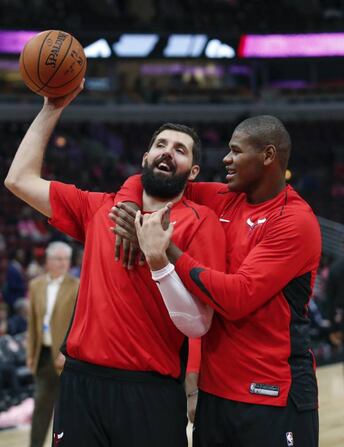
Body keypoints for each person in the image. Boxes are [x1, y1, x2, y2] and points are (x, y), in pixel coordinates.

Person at [4, 84, 225, 447]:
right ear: (145, 158)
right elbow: (18, 180)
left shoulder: (203, 223)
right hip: (82, 384)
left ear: (194, 170)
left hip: (149, 388)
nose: (168, 152)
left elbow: (202, 320)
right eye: (161, 145)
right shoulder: (99, 207)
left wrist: (159, 261)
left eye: (180, 150)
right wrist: (51, 108)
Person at [113, 115, 322, 447]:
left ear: (268, 156)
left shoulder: (295, 221)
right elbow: (152, 178)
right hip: (215, 391)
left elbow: (236, 299)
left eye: (236, 152)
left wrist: (168, 250)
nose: (225, 159)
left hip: (272, 392)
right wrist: (126, 203)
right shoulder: (223, 197)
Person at [27, 241, 79, 447]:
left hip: (66, 357)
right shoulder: (35, 285)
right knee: (41, 407)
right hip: (43, 355)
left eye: (66, 259)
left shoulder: (77, 286)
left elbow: (78, 322)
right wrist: (31, 354)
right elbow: (33, 323)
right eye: (58, 259)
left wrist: (67, 350)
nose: (63, 263)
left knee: (69, 410)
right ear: (48, 261)